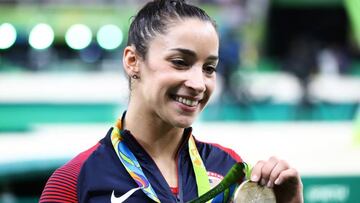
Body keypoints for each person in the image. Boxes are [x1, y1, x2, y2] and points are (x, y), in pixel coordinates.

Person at [40, 0, 303, 202]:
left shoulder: (228, 170)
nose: (199, 83)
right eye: (180, 62)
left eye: (209, 68)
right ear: (133, 61)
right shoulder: (73, 181)